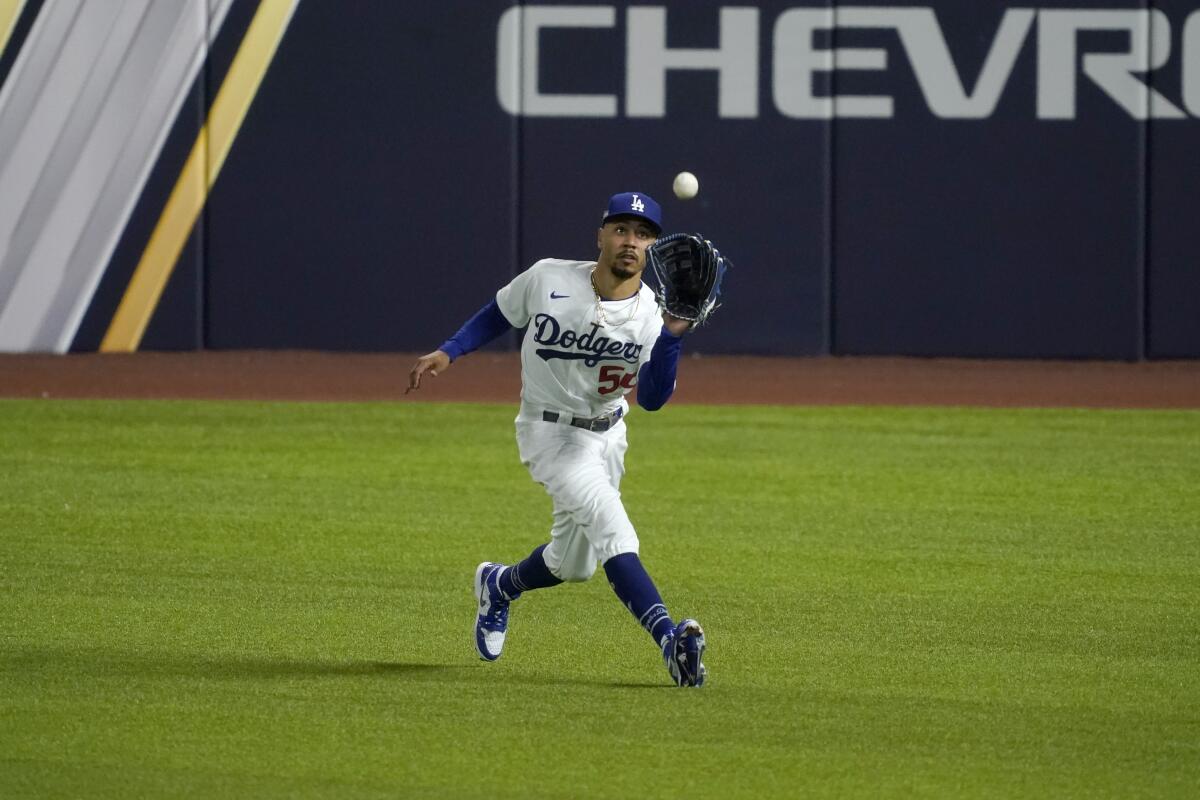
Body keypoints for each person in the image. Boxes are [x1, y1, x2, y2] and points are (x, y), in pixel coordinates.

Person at [407, 191, 707, 687]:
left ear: (651, 247)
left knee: (574, 564)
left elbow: (652, 400)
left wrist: (673, 333)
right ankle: (670, 641)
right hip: (550, 434)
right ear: (601, 235)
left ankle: (499, 584)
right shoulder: (549, 277)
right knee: (615, 532)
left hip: (607, 437)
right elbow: (499, 311)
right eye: (621, 229)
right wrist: (449, 351)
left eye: (643, 234)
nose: (630, 241)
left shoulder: (653, 315)